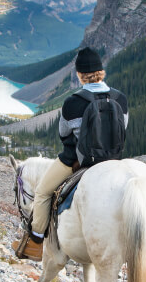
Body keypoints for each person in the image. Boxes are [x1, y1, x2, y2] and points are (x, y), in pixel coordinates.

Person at [13, 47, 128, 261]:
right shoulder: (120, 99)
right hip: (113, 162)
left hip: (77, 161)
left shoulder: (73, 102)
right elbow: (123, 130)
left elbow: (64, 134)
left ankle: (36, 242)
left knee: (43, 193)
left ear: (80, 74)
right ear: (102, 72)